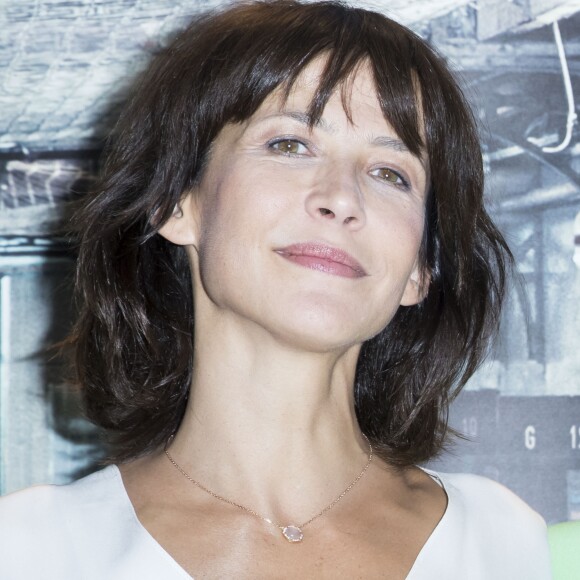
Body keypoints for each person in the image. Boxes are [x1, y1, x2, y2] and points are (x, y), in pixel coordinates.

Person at [0, 1, 552, 578]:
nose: (341, 199)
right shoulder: (32, 550)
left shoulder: (504, 540)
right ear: (176, 202)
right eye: (289, 145)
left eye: (390, 174)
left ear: (419, 268)